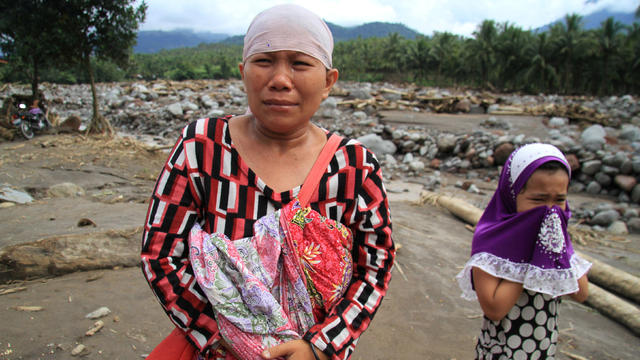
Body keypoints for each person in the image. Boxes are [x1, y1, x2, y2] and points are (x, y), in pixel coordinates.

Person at [140, 4, 395, 360]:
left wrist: (321, 347)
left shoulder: (355, 168)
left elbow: (375, 265)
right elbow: (161, 253)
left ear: (328, 82)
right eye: (264, 61)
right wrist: (220, 336)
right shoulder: (201, 147)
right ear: (243, 72)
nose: (280, 79)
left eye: (300, 63)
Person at [456, 143, 591, 359]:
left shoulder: (553, 237)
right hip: (501, 353)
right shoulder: (492, 239)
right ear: (512, 195)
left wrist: (557, 246)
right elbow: (494, 309)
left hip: (543, 350)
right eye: (538, 200)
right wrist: (530, 253)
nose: (549, 210)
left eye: (559, 200)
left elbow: (581, 293)